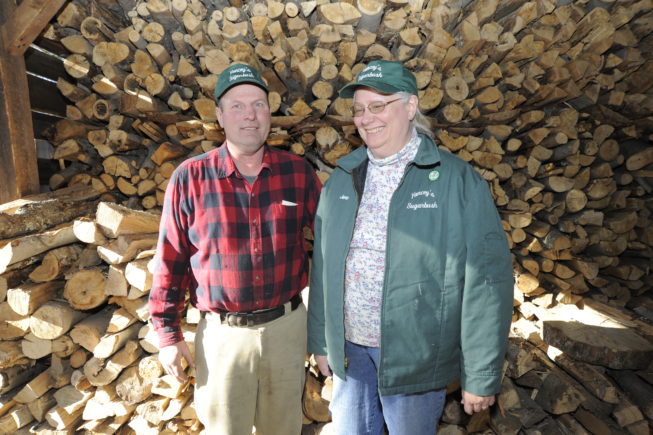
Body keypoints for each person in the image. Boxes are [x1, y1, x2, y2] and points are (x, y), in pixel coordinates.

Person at [307, 60, 514, 434]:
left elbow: (487, 280)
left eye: (378, 106)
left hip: (414, 357)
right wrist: (323, 340)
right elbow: (323, 266)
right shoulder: (342, 177)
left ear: (411, 106)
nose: (366, 118)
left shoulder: (456, 180)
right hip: (350, 353)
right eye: (359, 109)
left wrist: (481, 373)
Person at [149, 63, 321, 435]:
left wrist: (325, 331)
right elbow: (170, 259)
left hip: (287, 328)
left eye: (258, 105)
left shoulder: (298, 173)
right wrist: (167, 333)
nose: (250, 115)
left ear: (269, 114)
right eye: (238, 106)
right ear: (220, 116)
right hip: (222, 336)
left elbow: (330, 247)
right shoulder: (190, 178)